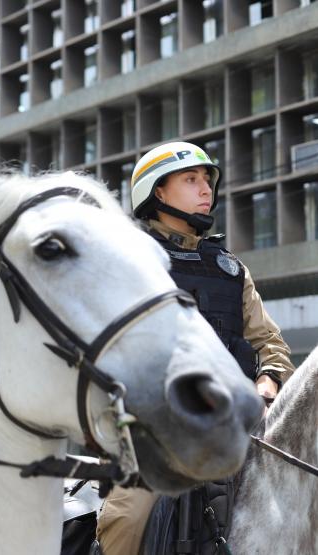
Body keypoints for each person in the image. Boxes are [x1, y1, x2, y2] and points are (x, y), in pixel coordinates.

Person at [96, 141, 297, 555]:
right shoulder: (127, 262)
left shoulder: (231, 269)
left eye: (207, 180)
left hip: (239, 433)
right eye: (191, 180)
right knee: (125, 520)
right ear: (157, 192)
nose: (206, 189)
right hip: (155, 439)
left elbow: (271, 346)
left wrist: (266, 388)